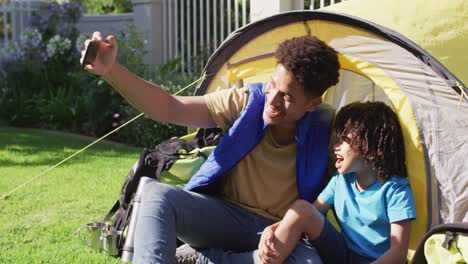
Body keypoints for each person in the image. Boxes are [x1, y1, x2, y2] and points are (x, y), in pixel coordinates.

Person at [81, 33, 340, 263]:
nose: (272, 99)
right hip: (224, 219)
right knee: (157, 196)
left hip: (280, 234)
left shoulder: (328, 129)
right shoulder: (246, 103)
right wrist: (111, 70)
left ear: (312, 104)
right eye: (273, 84)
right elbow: (171, 107)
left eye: (288, 96)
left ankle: (204, 259)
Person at [256, 101, 416, 264]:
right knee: (301, 208)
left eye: (345, 140)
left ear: (372, 151)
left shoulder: (396, 191)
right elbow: (307, 213)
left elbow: (398, 252)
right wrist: (272, 229)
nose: (336, 147)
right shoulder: (341, 180)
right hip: (342, 253)